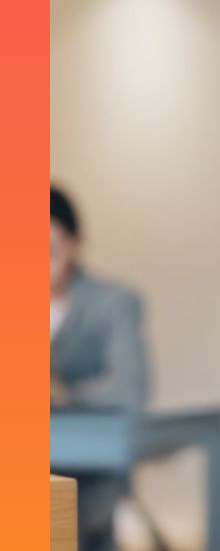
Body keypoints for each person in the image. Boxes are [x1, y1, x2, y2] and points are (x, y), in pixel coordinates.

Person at [51, 185, 150, 550]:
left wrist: (63, 393)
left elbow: (127, 388)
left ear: (76, 242)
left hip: (89, 465)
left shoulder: (113, 303)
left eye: (50, 250)